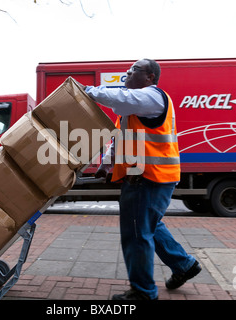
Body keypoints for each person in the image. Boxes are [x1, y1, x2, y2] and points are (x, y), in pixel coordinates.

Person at [81, 59, 201, 300]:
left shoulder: (152, 97)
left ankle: (144, 292)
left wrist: (87, 92)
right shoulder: (133, 109)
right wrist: (106, 162)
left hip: (148, 178)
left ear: (150, 77)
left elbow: (120, 99)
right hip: (151, 178)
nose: (128, 72)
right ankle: (185, 265)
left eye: (134, 69)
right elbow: (119, 137)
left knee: (137, 233)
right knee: (149, 225)